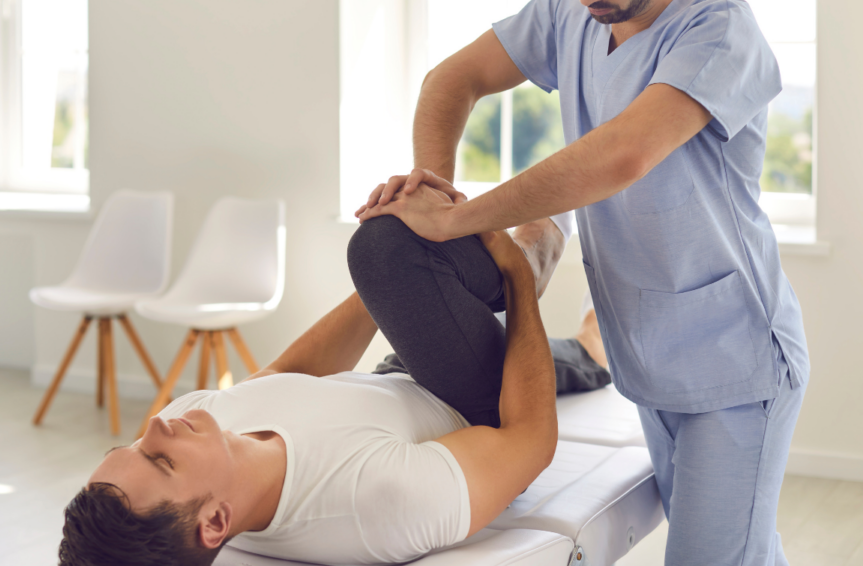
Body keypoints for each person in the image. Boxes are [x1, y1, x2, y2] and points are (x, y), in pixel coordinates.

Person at [355, 0, 808, 564]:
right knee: (744, 551)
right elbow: (453, 77)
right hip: (648, 360)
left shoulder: (719, 29)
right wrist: (429, 186)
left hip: (734, 359)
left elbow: (624, 153)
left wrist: (453, 221)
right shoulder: (569, 12)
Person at [56, 215, 611, 566]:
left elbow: (293, 372)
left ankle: (588, 346)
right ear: (216, 524)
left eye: (126, 447)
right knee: (383, 249)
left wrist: (385, 294)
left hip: (396, 382)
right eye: (159, 460)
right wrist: (516, 279)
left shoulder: (195, 423)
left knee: (391, 251)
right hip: (474, 413)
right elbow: (530, 442)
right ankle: (543, 241)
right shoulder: (371, 505)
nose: (153, 426)